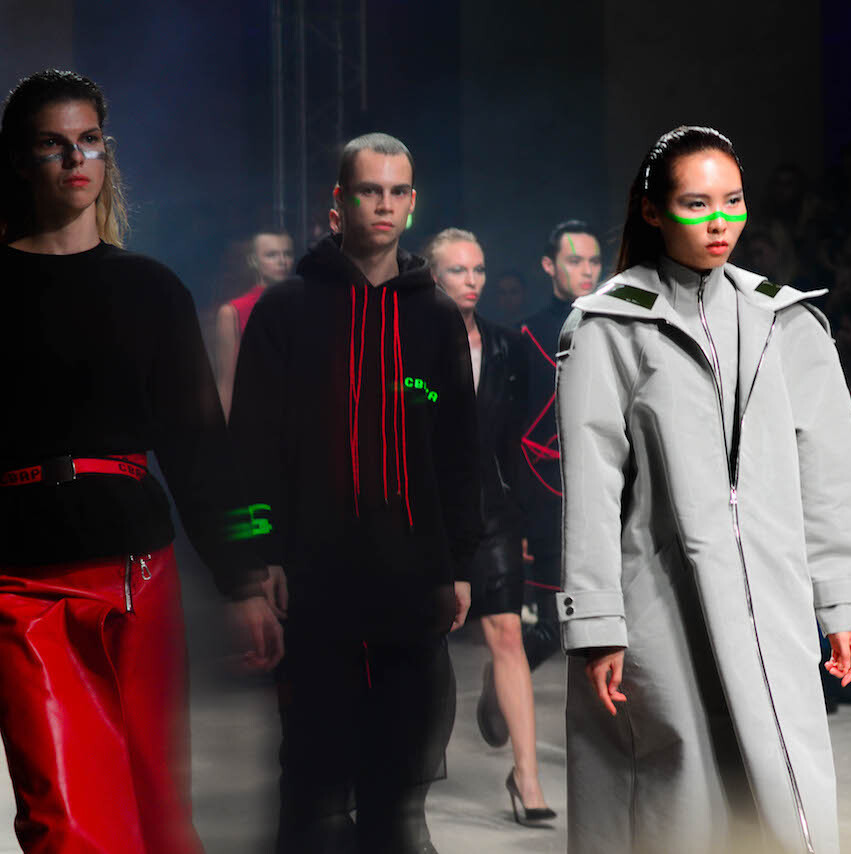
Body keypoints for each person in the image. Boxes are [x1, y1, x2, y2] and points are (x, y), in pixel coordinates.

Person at [556, 125, 851, 854]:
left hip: (773, 600)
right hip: (660, 605)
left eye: (733, 201)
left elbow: (829, 471)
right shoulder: (609, 325)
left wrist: (842, 601)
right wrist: (598, 623)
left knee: (784, 794)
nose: (720, 222)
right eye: (697, 203)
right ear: (653, 211)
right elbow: (591, 485)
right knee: (679, 804)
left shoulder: (786, 321)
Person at [0, 68, 282, 854]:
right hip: (20, 584)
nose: (75, 158)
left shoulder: (151, 289)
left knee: (158, 810)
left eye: (88, 140)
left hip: (138, 574)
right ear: (20, 161)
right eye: (53, 144)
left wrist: (244, 575)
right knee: (66, 820)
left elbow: (200, 445)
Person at [229, 132, 481, 853]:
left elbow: (458, 452)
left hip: (411, 578)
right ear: (338, 203)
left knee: (397, 785)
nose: (385, 205)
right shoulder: (286, 310)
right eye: (370, 190)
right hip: (315, 581)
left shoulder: (433, 315)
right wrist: (257, 561)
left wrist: (461, 563)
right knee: (312, 780)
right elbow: (250, 448)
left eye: (398, 191)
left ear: (413, 203)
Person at [424, 227, 554, 824]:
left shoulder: (505, 347)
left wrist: (523, 519)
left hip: (492, 511)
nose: (472, 280)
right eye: (458, 270)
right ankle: (404, 778)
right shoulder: (408, 345)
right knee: (422, 641)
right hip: (425, 512)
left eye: (478, 269)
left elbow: (515, 443)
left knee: (507, 632)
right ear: (433, 276)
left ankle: (527, 778)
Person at [517, 219, 602, 670]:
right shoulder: (526, 336)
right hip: (551, 502)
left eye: (593, 261)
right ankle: (502, 685)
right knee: (553, 628)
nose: (586, 270)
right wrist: (522, 517)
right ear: (549, 265)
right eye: (574, 260)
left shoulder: (615, 327)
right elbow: (519, 432)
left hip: (610, 499)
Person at [212, 227, 294, 416]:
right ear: (253, 261)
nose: (282, 261)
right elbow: (226, 382)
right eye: (272, 255)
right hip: (255, 416)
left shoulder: (304, 303)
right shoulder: (233, 312)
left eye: (287, 254)